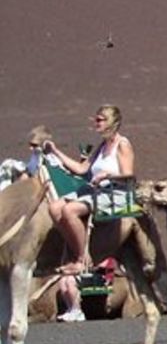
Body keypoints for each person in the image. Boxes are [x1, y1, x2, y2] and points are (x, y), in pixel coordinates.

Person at [43, 106, 134, 275]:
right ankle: (81, 253)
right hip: (96, 191)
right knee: (54, 208)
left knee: (69, 210)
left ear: (111, 122)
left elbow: (128, 173)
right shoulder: (102, 146)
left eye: (100, 120)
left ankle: (81, 261)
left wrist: (107, 175)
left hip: (114, 193)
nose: (96, 123)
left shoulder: (122, 144)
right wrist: (55, 152)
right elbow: (81, 168)